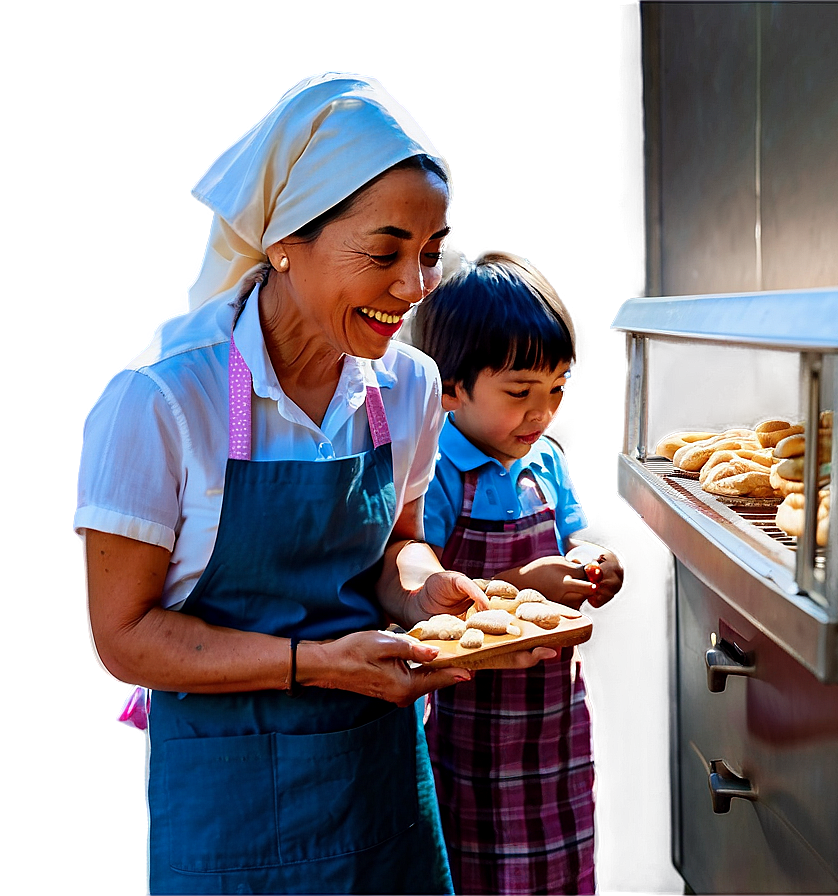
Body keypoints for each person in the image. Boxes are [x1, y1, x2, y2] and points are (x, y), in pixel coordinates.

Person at [73, 74, 553, 896]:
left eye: (430, 254)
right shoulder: (161, 403)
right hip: (229, 810)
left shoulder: (407, 387)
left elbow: (396, 546)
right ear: (286, 240)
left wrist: (429, 588)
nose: (415, 288)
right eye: (385, 252)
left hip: (380, 787)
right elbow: (123, 637)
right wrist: (317, 663)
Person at [410, 251, 625, 896]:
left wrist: (592, 566)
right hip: (471, 713)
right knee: (480, 865)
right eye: (519, 392)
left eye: (557, 388)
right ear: (452, 389)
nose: (542, 412)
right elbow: (425, 595)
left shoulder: (545, 461)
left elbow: (567, 543)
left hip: (554, 714)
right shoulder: (438, 473)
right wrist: (526, 587)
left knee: (558, 856)